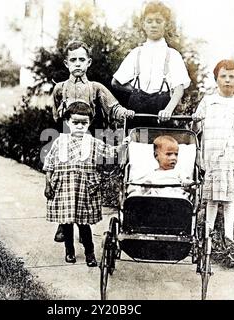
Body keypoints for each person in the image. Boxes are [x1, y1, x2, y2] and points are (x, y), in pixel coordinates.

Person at [52, 40, 135, 242]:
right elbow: (55, 116)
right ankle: (64, 225)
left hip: (88, 142)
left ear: (89, 62)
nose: (78, 64)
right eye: (73, 60)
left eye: (82, 59)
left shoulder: (95, 87)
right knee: (65, 185)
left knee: (87, 186)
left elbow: (113, 107)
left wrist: (124, 113)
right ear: (66, 64)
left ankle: (84, 226)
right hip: (66, 142)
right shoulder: (60, 89)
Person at [43, 101, 129, 267]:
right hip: (64, 189)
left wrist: (122, 146)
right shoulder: (59, 142)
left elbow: (110, 153)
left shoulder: (92, 142)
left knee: (84, 224)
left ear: (89, 123)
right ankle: (69, 251)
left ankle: (89, 253)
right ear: (67, 122)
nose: (80, 126)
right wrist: (48, 184)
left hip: (84, 190)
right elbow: (49, 164)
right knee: (67, 224)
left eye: (84, 123)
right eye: (75, 123)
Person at [192, 59, 234, 244]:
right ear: (216, 79)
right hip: (210, 157)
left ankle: (229, 238)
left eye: (231, 77)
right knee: (211, 198)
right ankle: (208, 236)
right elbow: (195, 131)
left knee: (229, 199)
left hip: (231, 159)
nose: (227, 80)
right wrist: (195, 121)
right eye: (223, 76)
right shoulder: (208, 101)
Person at [111, 1, 190, 121]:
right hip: (137, 113)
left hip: (161, 113)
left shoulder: (173, 55)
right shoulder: (136, 53)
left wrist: (168, 110)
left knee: (160, 140)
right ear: (143, 25)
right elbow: (115, 82)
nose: (154, 25)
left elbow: (179, 89)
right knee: (136, 139)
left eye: (158, 21)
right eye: (149, 21)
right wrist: (136, 91)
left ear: (166, 25)